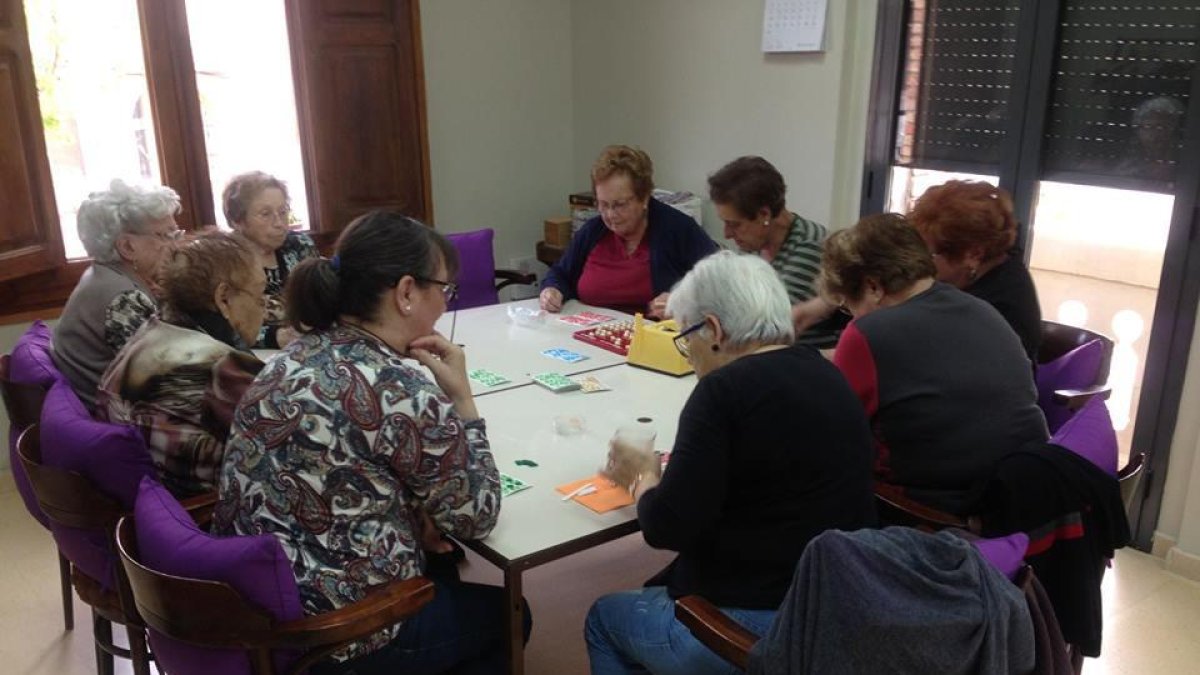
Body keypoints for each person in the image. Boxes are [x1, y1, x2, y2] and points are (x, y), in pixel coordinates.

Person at [213, 211, 528, 674]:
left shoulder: (290, 355)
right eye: (444, 289)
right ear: (405, 293)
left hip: (256, 598)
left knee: (441, 564)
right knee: (510, 615)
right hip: (333, 631)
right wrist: (463, 401)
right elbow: (476, 516)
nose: (445, 304)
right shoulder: (399, 389)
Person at [584, 251, 877, 675]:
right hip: (834, 606)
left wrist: (642, 477)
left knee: (604, 619)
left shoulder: (722, 392)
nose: (690, 355)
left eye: (687, 340)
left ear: (714, 330)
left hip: (760, 623)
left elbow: (666, 527)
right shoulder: (826, 374)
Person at [820, 213, 1048, 515]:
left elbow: (837, 432)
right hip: (1021, 493)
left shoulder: (866, 333)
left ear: (873, 287)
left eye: (849, 306)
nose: (852, 316)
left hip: (930, 509)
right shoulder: (982, 309)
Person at [96, 234, 265, 498]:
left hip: (148, 512)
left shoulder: (148, 332)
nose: (263, 310)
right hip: (203, 516)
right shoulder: (221, 367)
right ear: (223, 298)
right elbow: (285, 445)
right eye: (260, 296)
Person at [540, 145, 717, 317]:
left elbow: (719, 286)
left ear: (644, 198)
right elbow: (560, 273)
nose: (610, 215)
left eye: (620, 205)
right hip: (591, 334)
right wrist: (552, 290)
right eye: (603, 204)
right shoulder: (593, 231)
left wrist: (681, 302)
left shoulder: (678, 229)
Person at [52, 179, 182, 410]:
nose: (177, 246)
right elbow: (169, 381)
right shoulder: (124, 300)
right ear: (127, 247)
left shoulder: (102, 275)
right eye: (166, 235)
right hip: (123, 424)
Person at [707, 156, 845, 347]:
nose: (727, 234)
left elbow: (764, 327)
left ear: (765, 215)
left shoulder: (811, 245)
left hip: (801, 366)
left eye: (734, 224)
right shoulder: (754, 245)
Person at [908, 180, 1043, 362]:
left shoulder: (996, 308)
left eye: (930, 254)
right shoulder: (986, 271)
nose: (918, 260)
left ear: (973, 254)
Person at [222, 171, 318, 348]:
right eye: (265, 214)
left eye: (282, 212)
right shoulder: (224, 259)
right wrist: (274, 337)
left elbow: (322, 299)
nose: (279, 223)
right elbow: (223, 329)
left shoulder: (299, 245)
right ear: (238, 221)